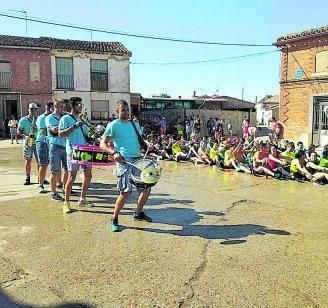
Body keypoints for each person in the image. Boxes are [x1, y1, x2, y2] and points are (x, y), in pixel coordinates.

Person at [100, 100, 153, 232]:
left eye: (127, 109)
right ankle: (114, 218)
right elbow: (102, 144)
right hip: (124, 160)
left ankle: (138, 213)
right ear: (117, 111)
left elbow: (140, 140)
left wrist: (149, 146)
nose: (126, 112)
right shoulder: (113, 125)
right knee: (125, 192)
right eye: (123, 110)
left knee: (146, 189)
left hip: (138, 159)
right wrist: (114, 153)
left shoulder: (134, 124)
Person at [58, 97, 94, 214]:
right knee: (71, 177)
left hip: (85, 150)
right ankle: (66, 203)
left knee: (88, 175)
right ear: (72, 106)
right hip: (73, 151)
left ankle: (82, 199)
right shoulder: (65, 118)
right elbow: (61, 134)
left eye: (81, 104)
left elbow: (87, 134)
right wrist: (74, 126)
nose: (80, 106)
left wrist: (92, 133)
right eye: (78, 104)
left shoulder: (82, 119)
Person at [46, 99, 68, 201]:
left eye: (64, 107)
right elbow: (54, 130)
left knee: (67, 169)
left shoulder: (64, 117)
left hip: (65, 145)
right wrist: (67, 126)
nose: (63, 109)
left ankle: (65, 189)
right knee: (54, 170)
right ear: (55, 107)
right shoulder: (50, 117)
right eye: (61, 107)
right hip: (55, 145)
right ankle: (53, 193)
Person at [18, 103, 39, 185]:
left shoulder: (39, 119)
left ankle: (40, 177)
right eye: (31, 109)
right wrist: (25, 136)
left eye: (35, 109)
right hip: (28, 142)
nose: (33, 111)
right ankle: (27, 177)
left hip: (37, 142)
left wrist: (36, 129)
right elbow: (19, 131)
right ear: (28, 109)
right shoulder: (23, 120)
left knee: (40, 161)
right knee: (28, 160)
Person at [35, 101, 53, 193]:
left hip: (50, 143)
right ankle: (40, 184)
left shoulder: (53, 117)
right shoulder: (42, 118)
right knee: (43, 164)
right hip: (42, 142)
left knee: (51, 164)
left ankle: (58, 183)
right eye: (53, 108)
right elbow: (43, 131)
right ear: (48, 109)